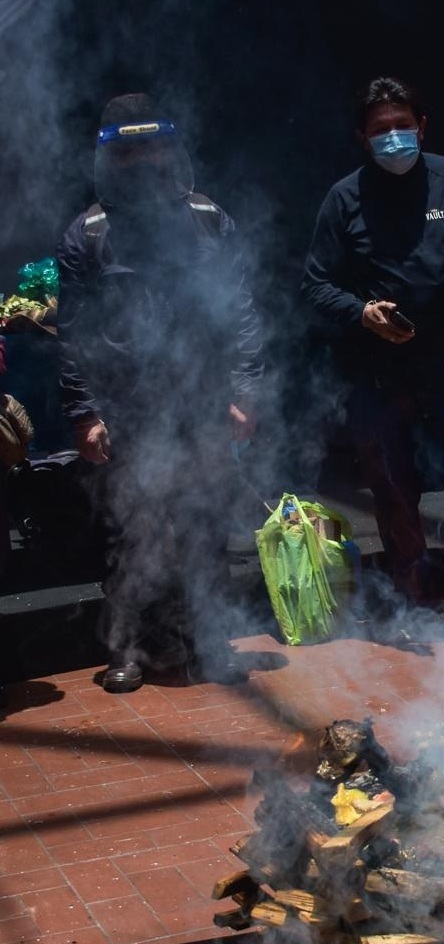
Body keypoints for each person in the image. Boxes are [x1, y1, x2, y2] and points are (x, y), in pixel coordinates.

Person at [57, 93, 262, 693]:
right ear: (109, 157)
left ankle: (207, 643)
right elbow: (71, 334)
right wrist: (85, 411)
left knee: (205, 527)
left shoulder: (208, 219)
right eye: (128, 149)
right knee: (133, 530)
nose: (141, 158)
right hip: (128, 410)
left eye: (151, 145)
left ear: (170, 147)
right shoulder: (88, 234)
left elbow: (242, 313)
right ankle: (130, 650)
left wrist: (244, 389)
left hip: (201, 400)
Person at [302, 76, 444, 637]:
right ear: (361, 138)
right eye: (380, 131)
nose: (393, 138)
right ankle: (416, 603)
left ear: (422, 126)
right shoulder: (343, 198)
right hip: (379, 375)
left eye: (402, 127)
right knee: (395, 493)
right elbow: (315, 286)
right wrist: (361, 312)